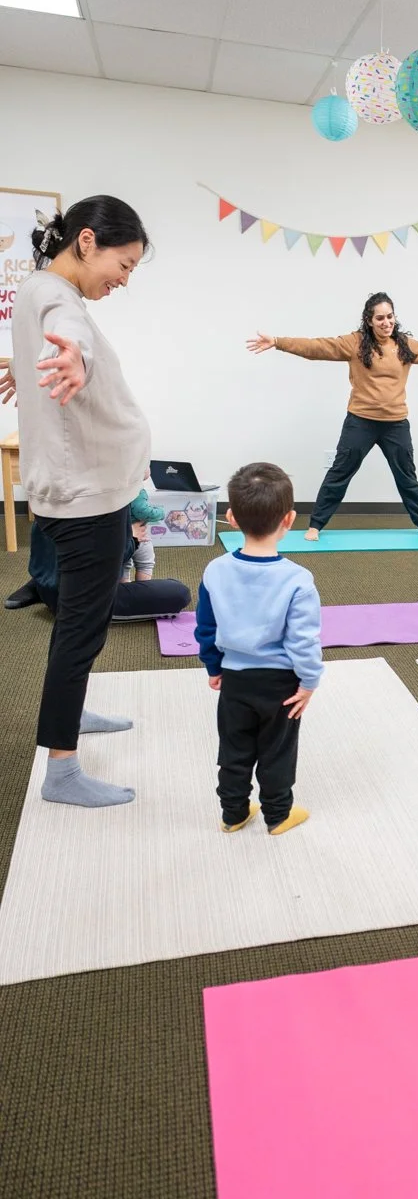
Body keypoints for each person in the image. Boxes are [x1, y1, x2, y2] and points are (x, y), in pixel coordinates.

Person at [11, 195, 151, 807]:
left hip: (86, 488)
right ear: (87, 241)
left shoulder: (40, 288)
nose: (123, 281)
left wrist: (32, 363)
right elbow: (70, 339)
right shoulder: (58, 300)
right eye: (123, 265)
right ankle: (62, 773)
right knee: (81, 629)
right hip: (86, 497)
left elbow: (54, 337)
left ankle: (72, 713)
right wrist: (75, 359)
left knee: (80, 626)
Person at [247, 292, 418, 541]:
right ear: (369, 320)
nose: (386, 322)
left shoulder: (405, 346)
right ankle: (316, 526)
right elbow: (316, 347)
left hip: (395, 424)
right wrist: (278, 341)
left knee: (407, 476)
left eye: (390, 317)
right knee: (339, 473)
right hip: (360, 421)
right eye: (380, 318)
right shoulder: (354, 343)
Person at [195, 462, 322, 836]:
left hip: (235, 679)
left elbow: (206, 627)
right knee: (277, 751)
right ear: (290, 519)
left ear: (231, 517)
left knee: (233, 751)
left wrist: (213, 667)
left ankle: (233, 814)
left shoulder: (215, 571)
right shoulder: (298, 579)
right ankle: (278, 815)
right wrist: (310, 681)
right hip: (281, 685)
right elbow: (303, 640)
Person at [4, 517, 190, 620]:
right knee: (179, 592)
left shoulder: (51, 491)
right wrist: (131, 538)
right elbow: (104, 560)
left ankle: (40, 582)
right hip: (79, 600)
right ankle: (42, 583)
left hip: (51, 583)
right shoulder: (106, 501)